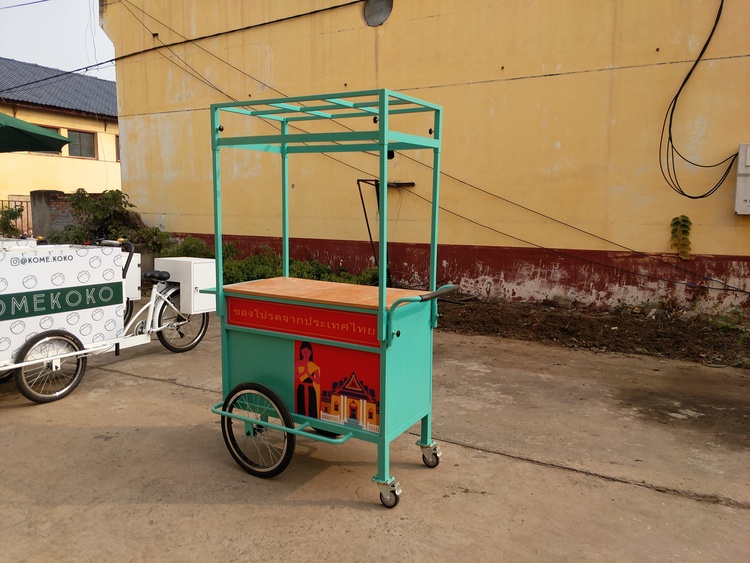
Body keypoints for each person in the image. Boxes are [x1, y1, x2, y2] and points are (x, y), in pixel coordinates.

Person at [295, 341, 320, 418]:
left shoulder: (314, 366)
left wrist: (309, 375)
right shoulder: (298, 363)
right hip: (301, 388)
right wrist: (303, 373)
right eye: (303, 351)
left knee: (311, 407)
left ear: (311, 352)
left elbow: (318, 381)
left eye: (308, 351)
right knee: (301, 406)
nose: (306, 353)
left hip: (310, 389)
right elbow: (296, 376)